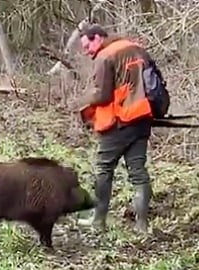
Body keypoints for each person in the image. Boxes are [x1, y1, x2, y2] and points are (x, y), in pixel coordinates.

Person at [75, 24, 154, 233]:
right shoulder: (137, 48)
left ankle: (98, 221)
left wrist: (84, 99)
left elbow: (102, 95)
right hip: (143, 118)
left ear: (98, 38)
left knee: (103, 169)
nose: (87, 51)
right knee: (138, 172)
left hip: (119, 121)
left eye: (87, 45)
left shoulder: (105, 56)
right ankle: (141, 224)